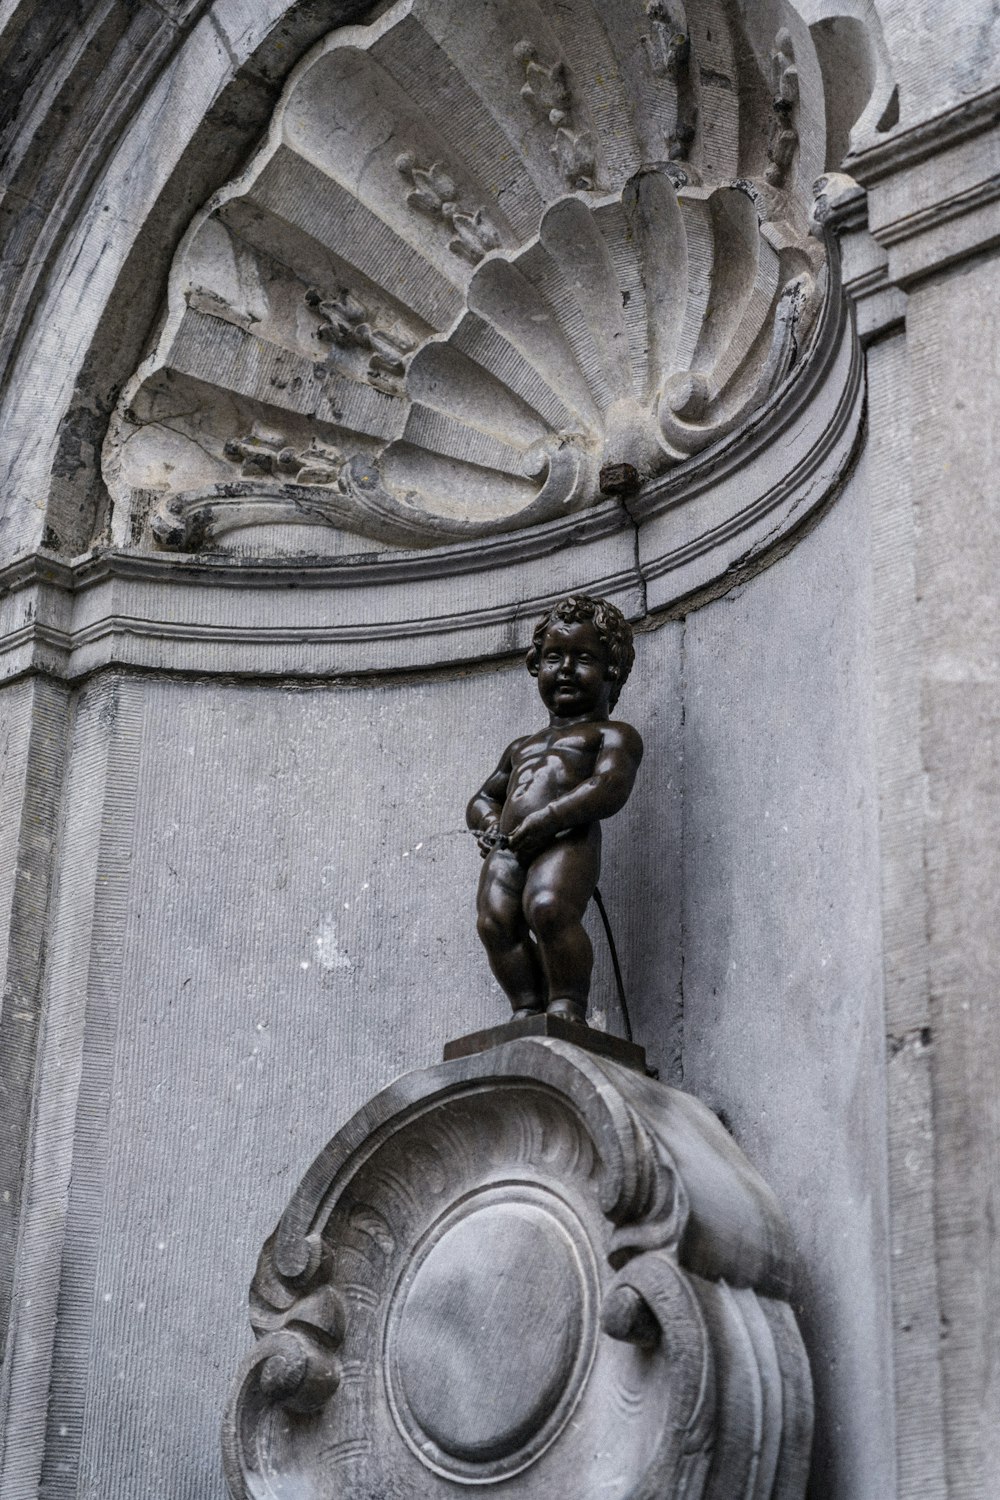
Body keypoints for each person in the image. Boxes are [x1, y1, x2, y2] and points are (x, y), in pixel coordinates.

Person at [467, 595, 643, 1025]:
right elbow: (483, 798)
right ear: (535, 666)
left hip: (567, 838)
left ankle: (567, 1004)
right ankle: (526, 1008)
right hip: (508, 848)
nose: (564, 669)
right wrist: (489, 824)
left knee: (548, 908)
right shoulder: (521, 747)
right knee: (494, 922)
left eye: (582, 658)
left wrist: (549, 820)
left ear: (612, 671)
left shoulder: (613, 735)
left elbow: (610, 787)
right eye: (552, 657)